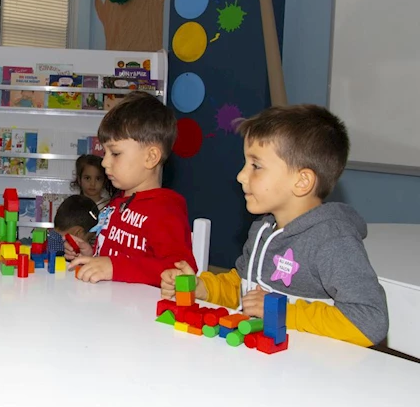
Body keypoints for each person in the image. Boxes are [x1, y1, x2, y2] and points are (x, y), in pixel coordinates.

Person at [160, 104, 388, 347]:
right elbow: (244, 289)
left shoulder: (332, 241)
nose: (241, 176)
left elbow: (370, 320)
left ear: (302, 181)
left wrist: (279, 312)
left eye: (256, 166)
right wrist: (203, 287)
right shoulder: (263, 229)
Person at [64, 91, 197, 285]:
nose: (104, 162)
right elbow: (120, 259)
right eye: (105, 153)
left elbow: (180, 272)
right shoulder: (117, 203)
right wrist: (91, 256)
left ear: (150, 157)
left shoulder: (165, 210)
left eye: (115, 153)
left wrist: (114, 267)